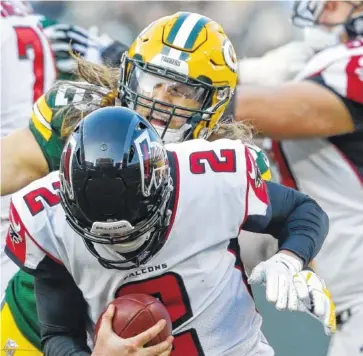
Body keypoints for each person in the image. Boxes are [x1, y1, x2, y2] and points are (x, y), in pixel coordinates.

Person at [1, 11, 272, 356]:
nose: (159, 100)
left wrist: (296, 261)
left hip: (147, 335)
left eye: (182, 90)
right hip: (38, 328)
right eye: (151, 80)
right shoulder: (77, 121)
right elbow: (8, 166)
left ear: (214, 103)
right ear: (129, 74)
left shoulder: (222, 168)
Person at [6, 106, 333, 356]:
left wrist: (290, 258)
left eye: (132, 233)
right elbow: (57, 334)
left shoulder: (211, 177)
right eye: (106, 239)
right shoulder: (45, 220)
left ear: (164, 187)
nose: (122, 245)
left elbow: (303, 211)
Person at [234, 1, 363, 355]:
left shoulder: (349, 63)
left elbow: (280, 108)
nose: (325, 11)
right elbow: (244, 73)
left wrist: (179, 95)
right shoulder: (322, 59)